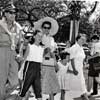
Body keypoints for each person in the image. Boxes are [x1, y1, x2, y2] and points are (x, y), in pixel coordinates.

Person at [0, 3, 24, 99]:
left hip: (13, 53)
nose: (13, 14)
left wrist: (20, 53)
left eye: (14, 13)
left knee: (14, 82)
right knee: (1, 79)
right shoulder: (0, 25)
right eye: (10, 12)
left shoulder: (18, 26)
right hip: (1, 51)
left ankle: (4, 96)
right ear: (5, 13)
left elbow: (21, 42)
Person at [18, 29, 44, 100]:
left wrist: (41, 72)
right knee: (24, 90)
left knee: (38, 91)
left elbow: (41, 62)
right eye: (38, 36)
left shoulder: (42, 48)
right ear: (34, 36)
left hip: (37, 69)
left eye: (41, 36)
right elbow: (24, 58)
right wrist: (20, 70)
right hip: (29, 67)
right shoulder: (30, 46)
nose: (40, 38)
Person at [64, 34, 89, 100]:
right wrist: (74, 69)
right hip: (74, 69)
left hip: (80, 69)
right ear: (77, 39)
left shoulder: (81, 48)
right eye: (81, 39)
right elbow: (72, 59)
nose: (83, 40)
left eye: (84, 39)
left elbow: (81, 58)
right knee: (74, 87)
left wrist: (84, 64)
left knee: (81, 86)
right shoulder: (74, 47)